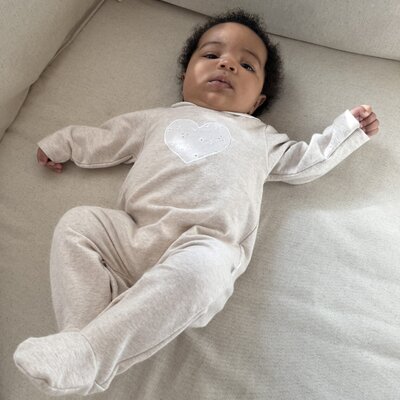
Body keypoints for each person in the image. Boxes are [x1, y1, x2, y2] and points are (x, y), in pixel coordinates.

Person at [13, 9, 379, 397]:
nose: (227, 64)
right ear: (185, 75)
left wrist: (348, 129)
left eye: (246, 65)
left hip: (203, 247)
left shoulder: (260, 137)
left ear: (257, 101)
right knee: (78, 223)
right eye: (211, 55)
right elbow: (108, 137)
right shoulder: (157, 120)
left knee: (203, 270)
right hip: (134, 237)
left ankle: (92, 353)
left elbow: (306, 160)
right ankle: (81, 336)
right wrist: (65, 143)